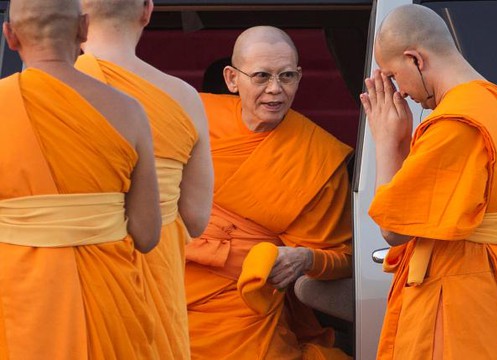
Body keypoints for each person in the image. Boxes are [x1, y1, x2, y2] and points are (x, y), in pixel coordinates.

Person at [359, 4, 497, 360]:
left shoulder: (457, 122)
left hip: (462, 299)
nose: (401, 92)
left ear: (416, 59)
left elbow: (394, 229)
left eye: (395, 76)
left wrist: (387, 143)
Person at [0, 0, 162, 359]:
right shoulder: (128, 112)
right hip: (108, 300)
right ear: (83, 28)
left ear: (10, 36)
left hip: (16, 303)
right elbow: (147, 235)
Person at [184, 25, 353, 360]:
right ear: (232, 79)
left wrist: (305, 258)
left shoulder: (319, 156)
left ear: (300, 77)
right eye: (261, 76)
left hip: (248, 307)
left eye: (287, 76)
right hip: (171, 290)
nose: (275, 90)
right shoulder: (195, 117)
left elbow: (343, 259)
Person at [75, 0, 213, 358]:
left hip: (73, 279)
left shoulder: (47, 91)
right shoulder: (183, 97)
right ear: (147, 11)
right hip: (154, 281)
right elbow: (197, 219)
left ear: (77, 14)